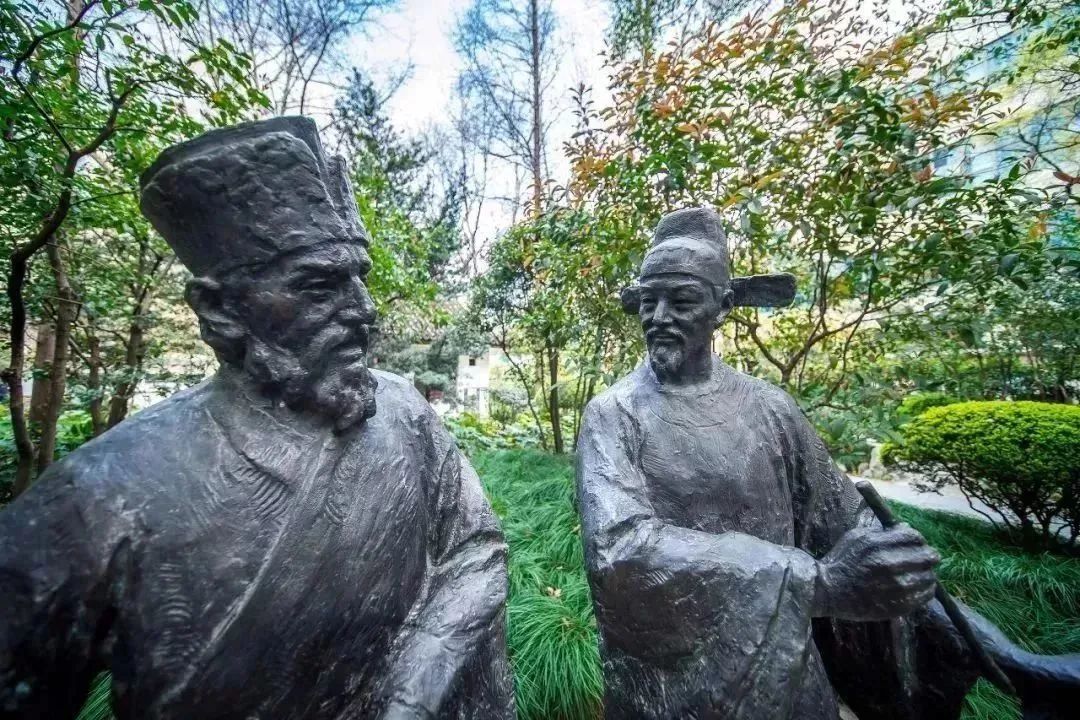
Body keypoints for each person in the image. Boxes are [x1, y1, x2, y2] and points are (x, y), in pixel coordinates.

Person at [0, 117, 514, 720]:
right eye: (319, 286)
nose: (363, 312)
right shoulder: (97, 497)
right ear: (219, 309)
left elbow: (475, 549)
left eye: (359, 279)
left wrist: (410, 696)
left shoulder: (405, 413)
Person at [576, 206, 1080, 719]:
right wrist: (818, 582)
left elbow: (852, 536)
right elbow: (621, 552)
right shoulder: (614, 415)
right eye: (648, 300)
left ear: (722, 306)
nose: (659, 317)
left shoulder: (770, 409)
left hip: (792, 683)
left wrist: (1007, 658)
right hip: (672, 693)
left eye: (680, 300)